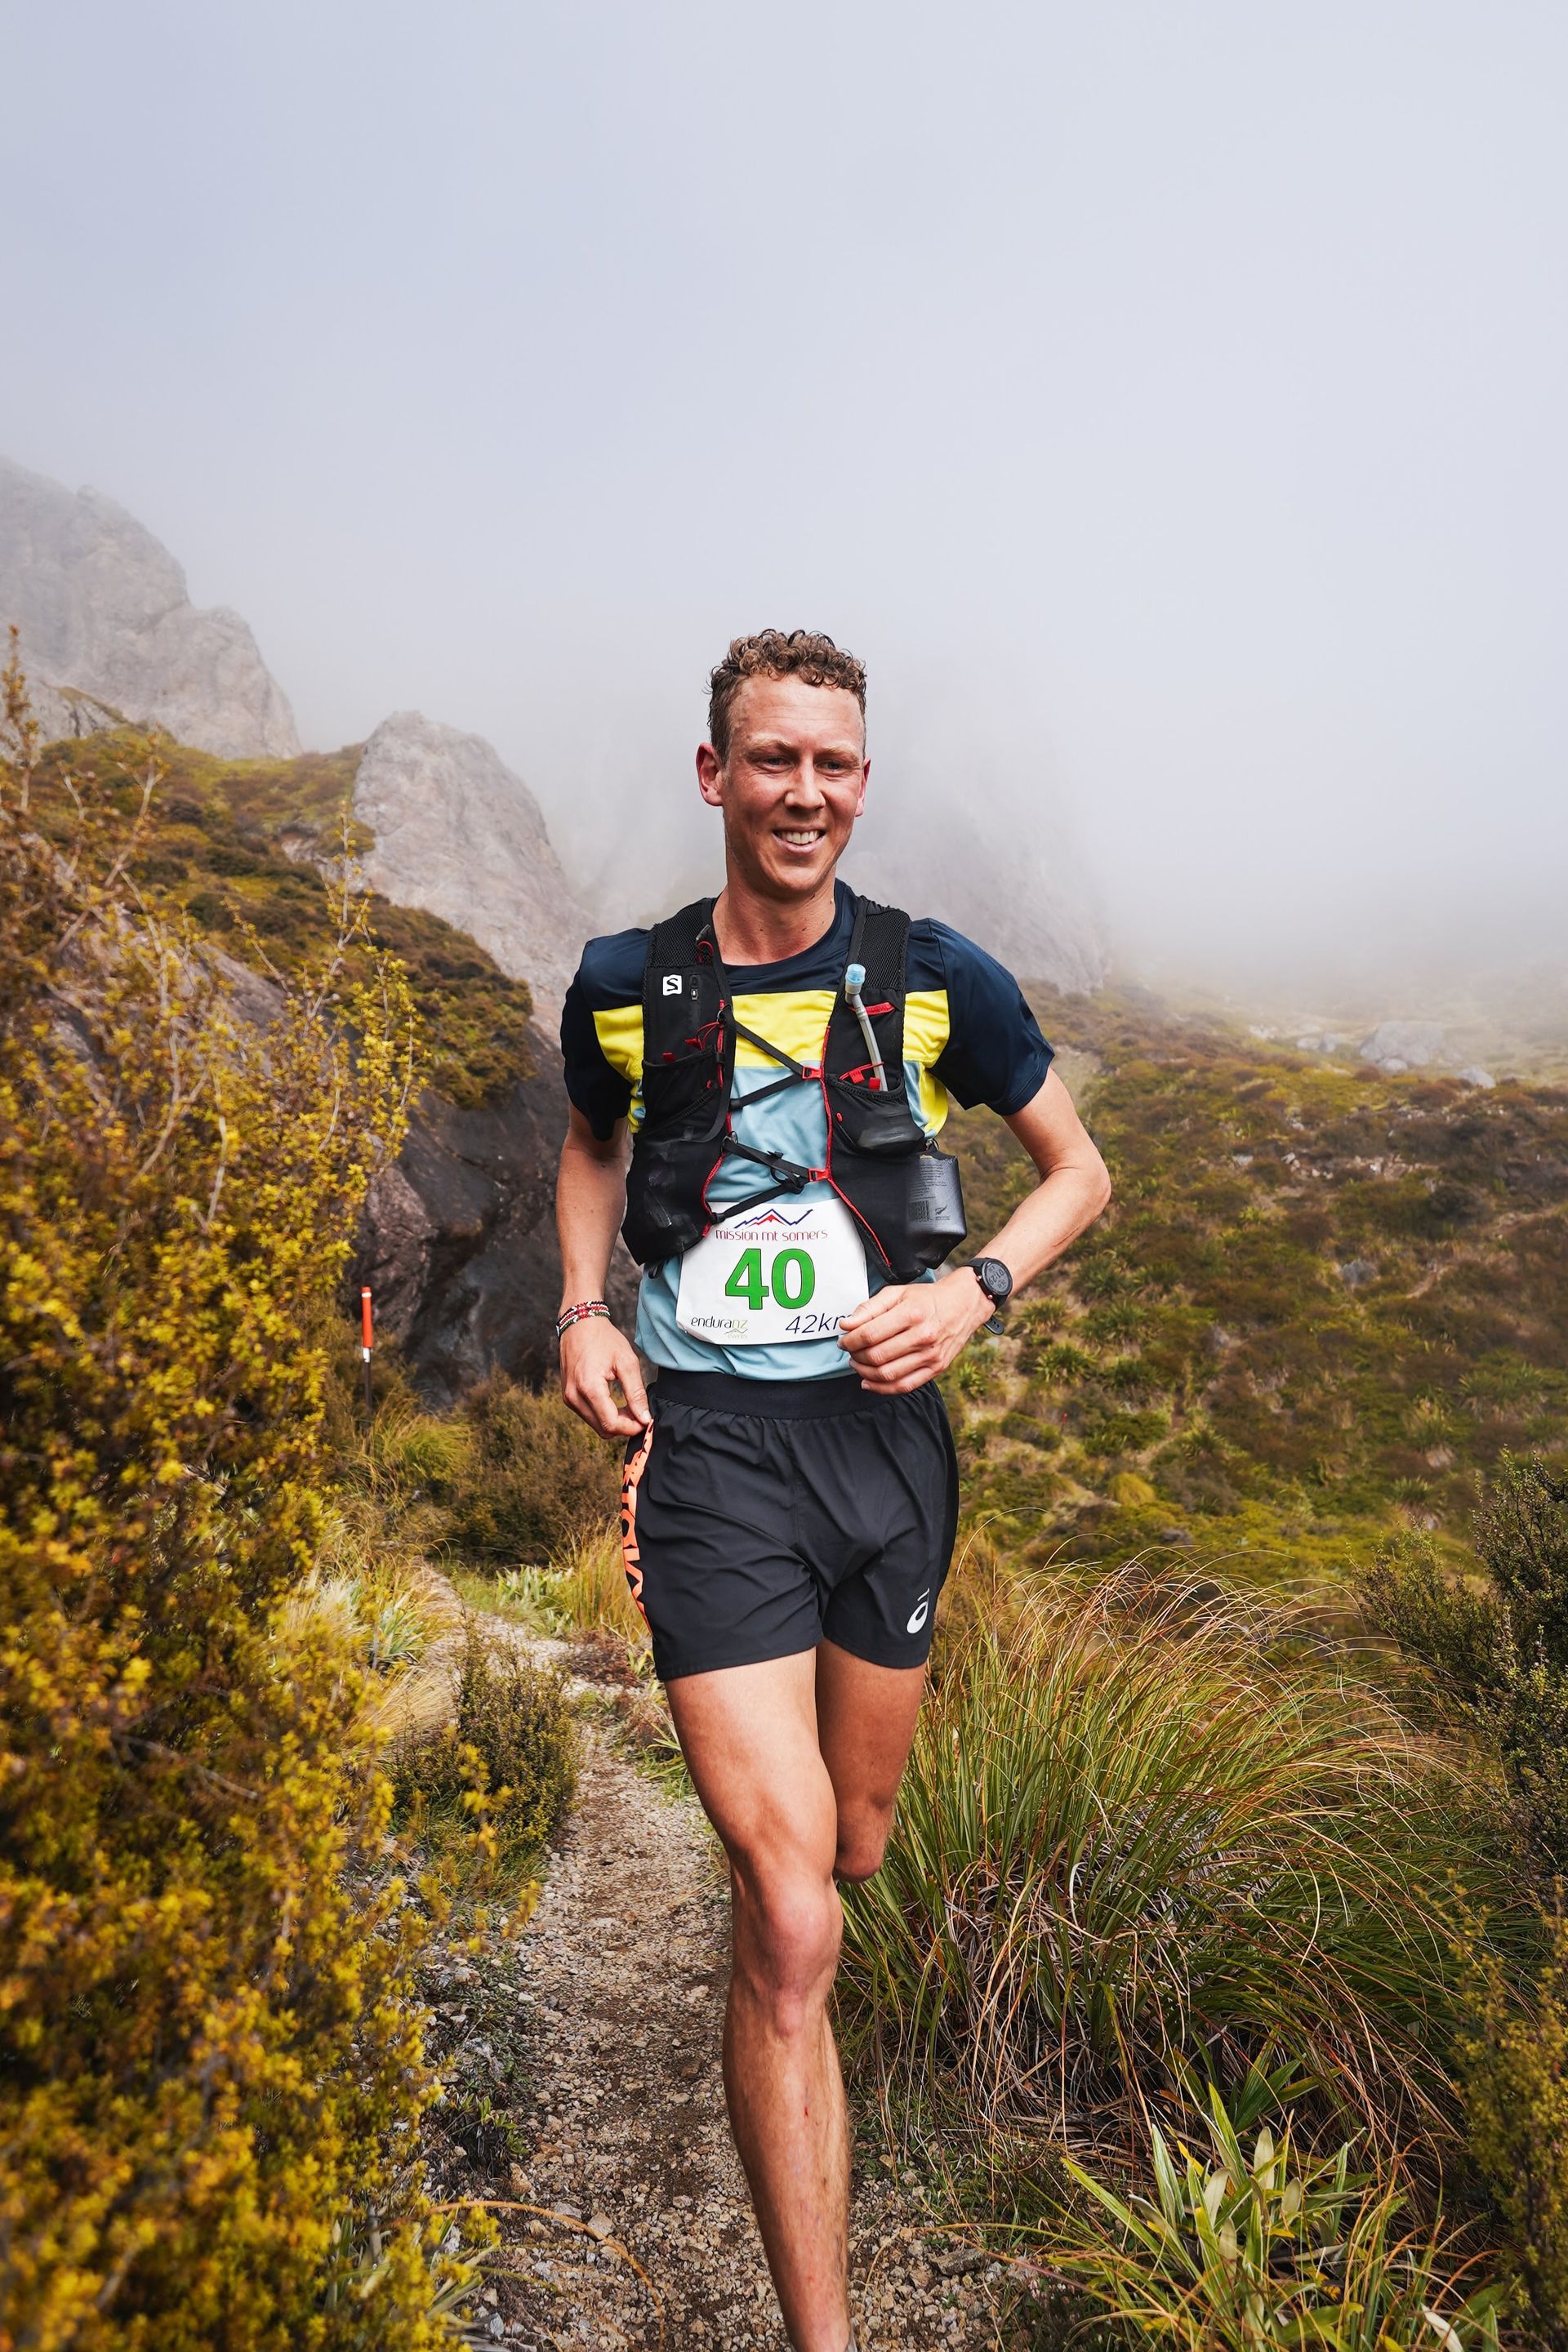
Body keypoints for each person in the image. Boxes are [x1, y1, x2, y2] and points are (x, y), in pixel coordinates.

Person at [555, 630, 1110, 2352]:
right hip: (713, 1453)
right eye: (774, 760)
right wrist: (583, 1309)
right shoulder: (628, 986)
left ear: (863, 785)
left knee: (852, 1854)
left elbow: (1075, 1170)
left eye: (836, 766)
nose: (806, 793)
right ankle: (828, 2331)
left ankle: (784, 1932)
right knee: (792, 1922)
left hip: (887, 1463)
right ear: (715, 777)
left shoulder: (938, 976)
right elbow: (585, 1143)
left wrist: (974, 1292)